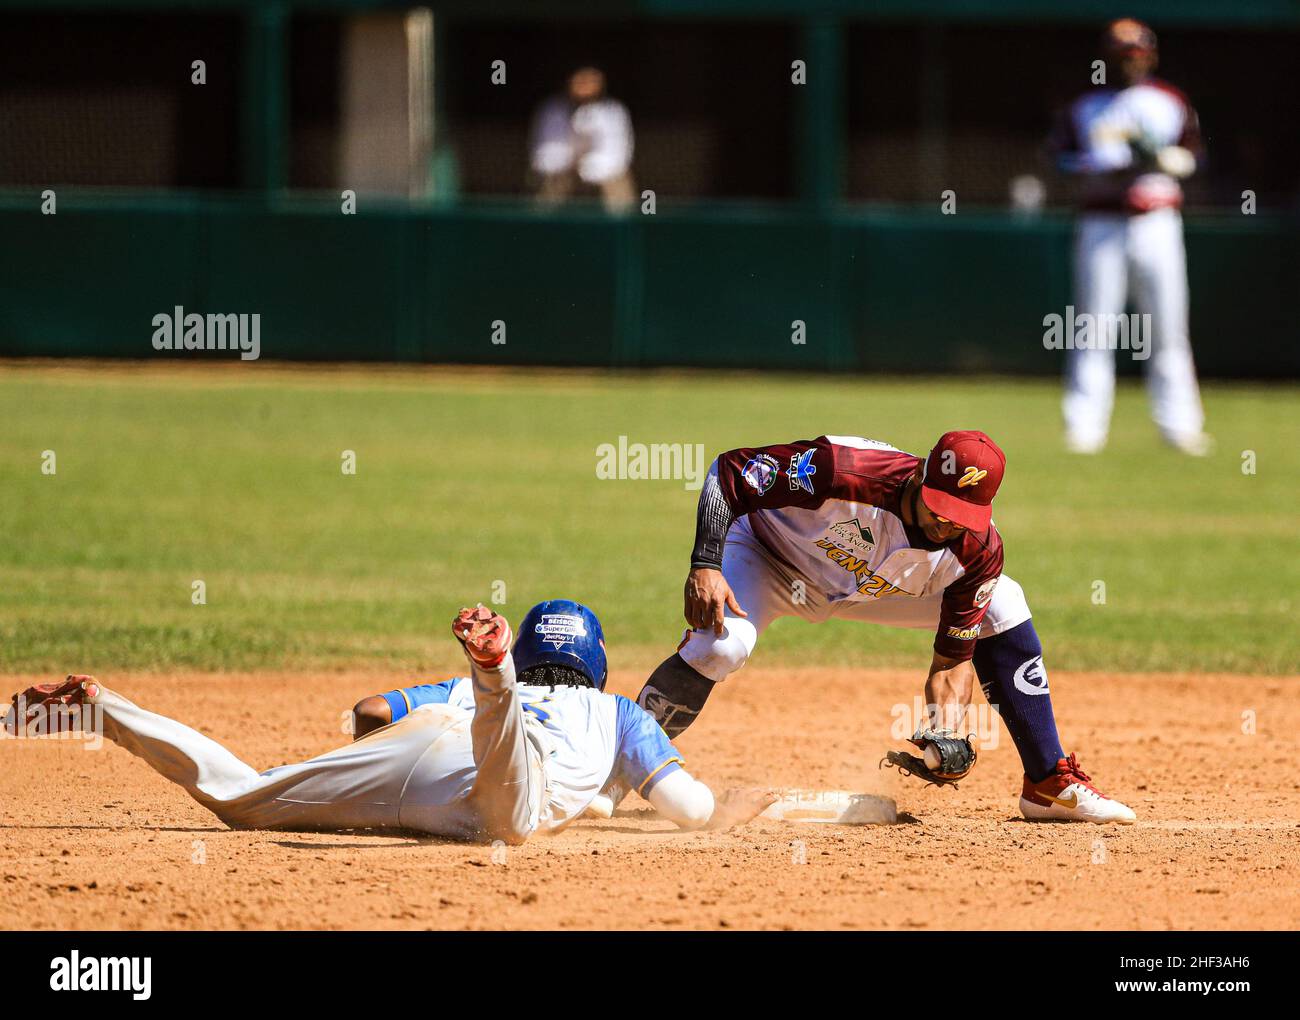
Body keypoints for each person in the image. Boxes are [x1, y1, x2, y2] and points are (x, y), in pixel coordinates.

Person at [634, 431, 1137, 824]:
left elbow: (951, 662)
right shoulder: (842, 470)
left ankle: (1047, 784)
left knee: (1003, 600)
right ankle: (619, 763)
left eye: (964, 516)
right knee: (720, 649)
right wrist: (706, 563)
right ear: (922, 476)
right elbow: (732, 471)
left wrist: (948, 732)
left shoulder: (976, 550)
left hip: (869, 587)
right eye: (941, 507)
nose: (947, 524)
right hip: (768, 556)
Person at [5, 601, 775, 842]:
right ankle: (492, 672)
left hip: (435, 729)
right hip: (493, 774)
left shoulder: (451, 689)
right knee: (512, 820)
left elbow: (369, 712)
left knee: (242, 799)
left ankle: (104, 712)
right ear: (599, 664)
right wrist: (725, 809)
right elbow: (688, 808)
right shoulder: (617, 713)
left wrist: (375, 757)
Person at [1051, 18, 1211, 456]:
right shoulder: (1085, 106)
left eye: (1136, 54)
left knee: (1168, 328)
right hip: (1102, 222)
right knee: (1092, 328)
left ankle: (1180, 425)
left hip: (1157, 221)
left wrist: (1168, 160)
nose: (1129, 63)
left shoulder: (1169, 101)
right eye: (1121, 55)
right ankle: (1084, 427)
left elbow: (1193, 155)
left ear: (1150, 56)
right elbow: (1060, 160)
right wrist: (1103, 168)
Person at [530, 66, 636, 213]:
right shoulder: (552, 110)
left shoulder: (614, 111)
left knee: (618, 187)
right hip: (560, 173)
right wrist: (570, 165)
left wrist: (587, 168)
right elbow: (543, 154)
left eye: (590, 81)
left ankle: (621, 230)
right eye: (580, 81)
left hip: (601, 174)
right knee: (551, 189)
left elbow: (618, 156)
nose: (584, 86)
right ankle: (540, 228)